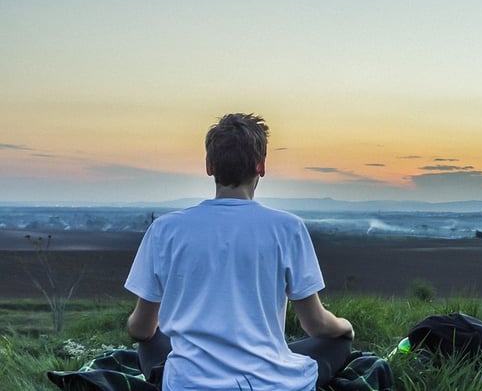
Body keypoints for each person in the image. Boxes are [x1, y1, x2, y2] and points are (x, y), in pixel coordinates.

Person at [124, 113, 354, 390]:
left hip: (189, 383)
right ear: (261, 166)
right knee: (337, 341)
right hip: (272, 384)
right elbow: (316, 325)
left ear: (209, 166)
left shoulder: (165, 229)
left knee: (151, 340)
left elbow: (140, 329)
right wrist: (345, 326)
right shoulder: (288, 228)